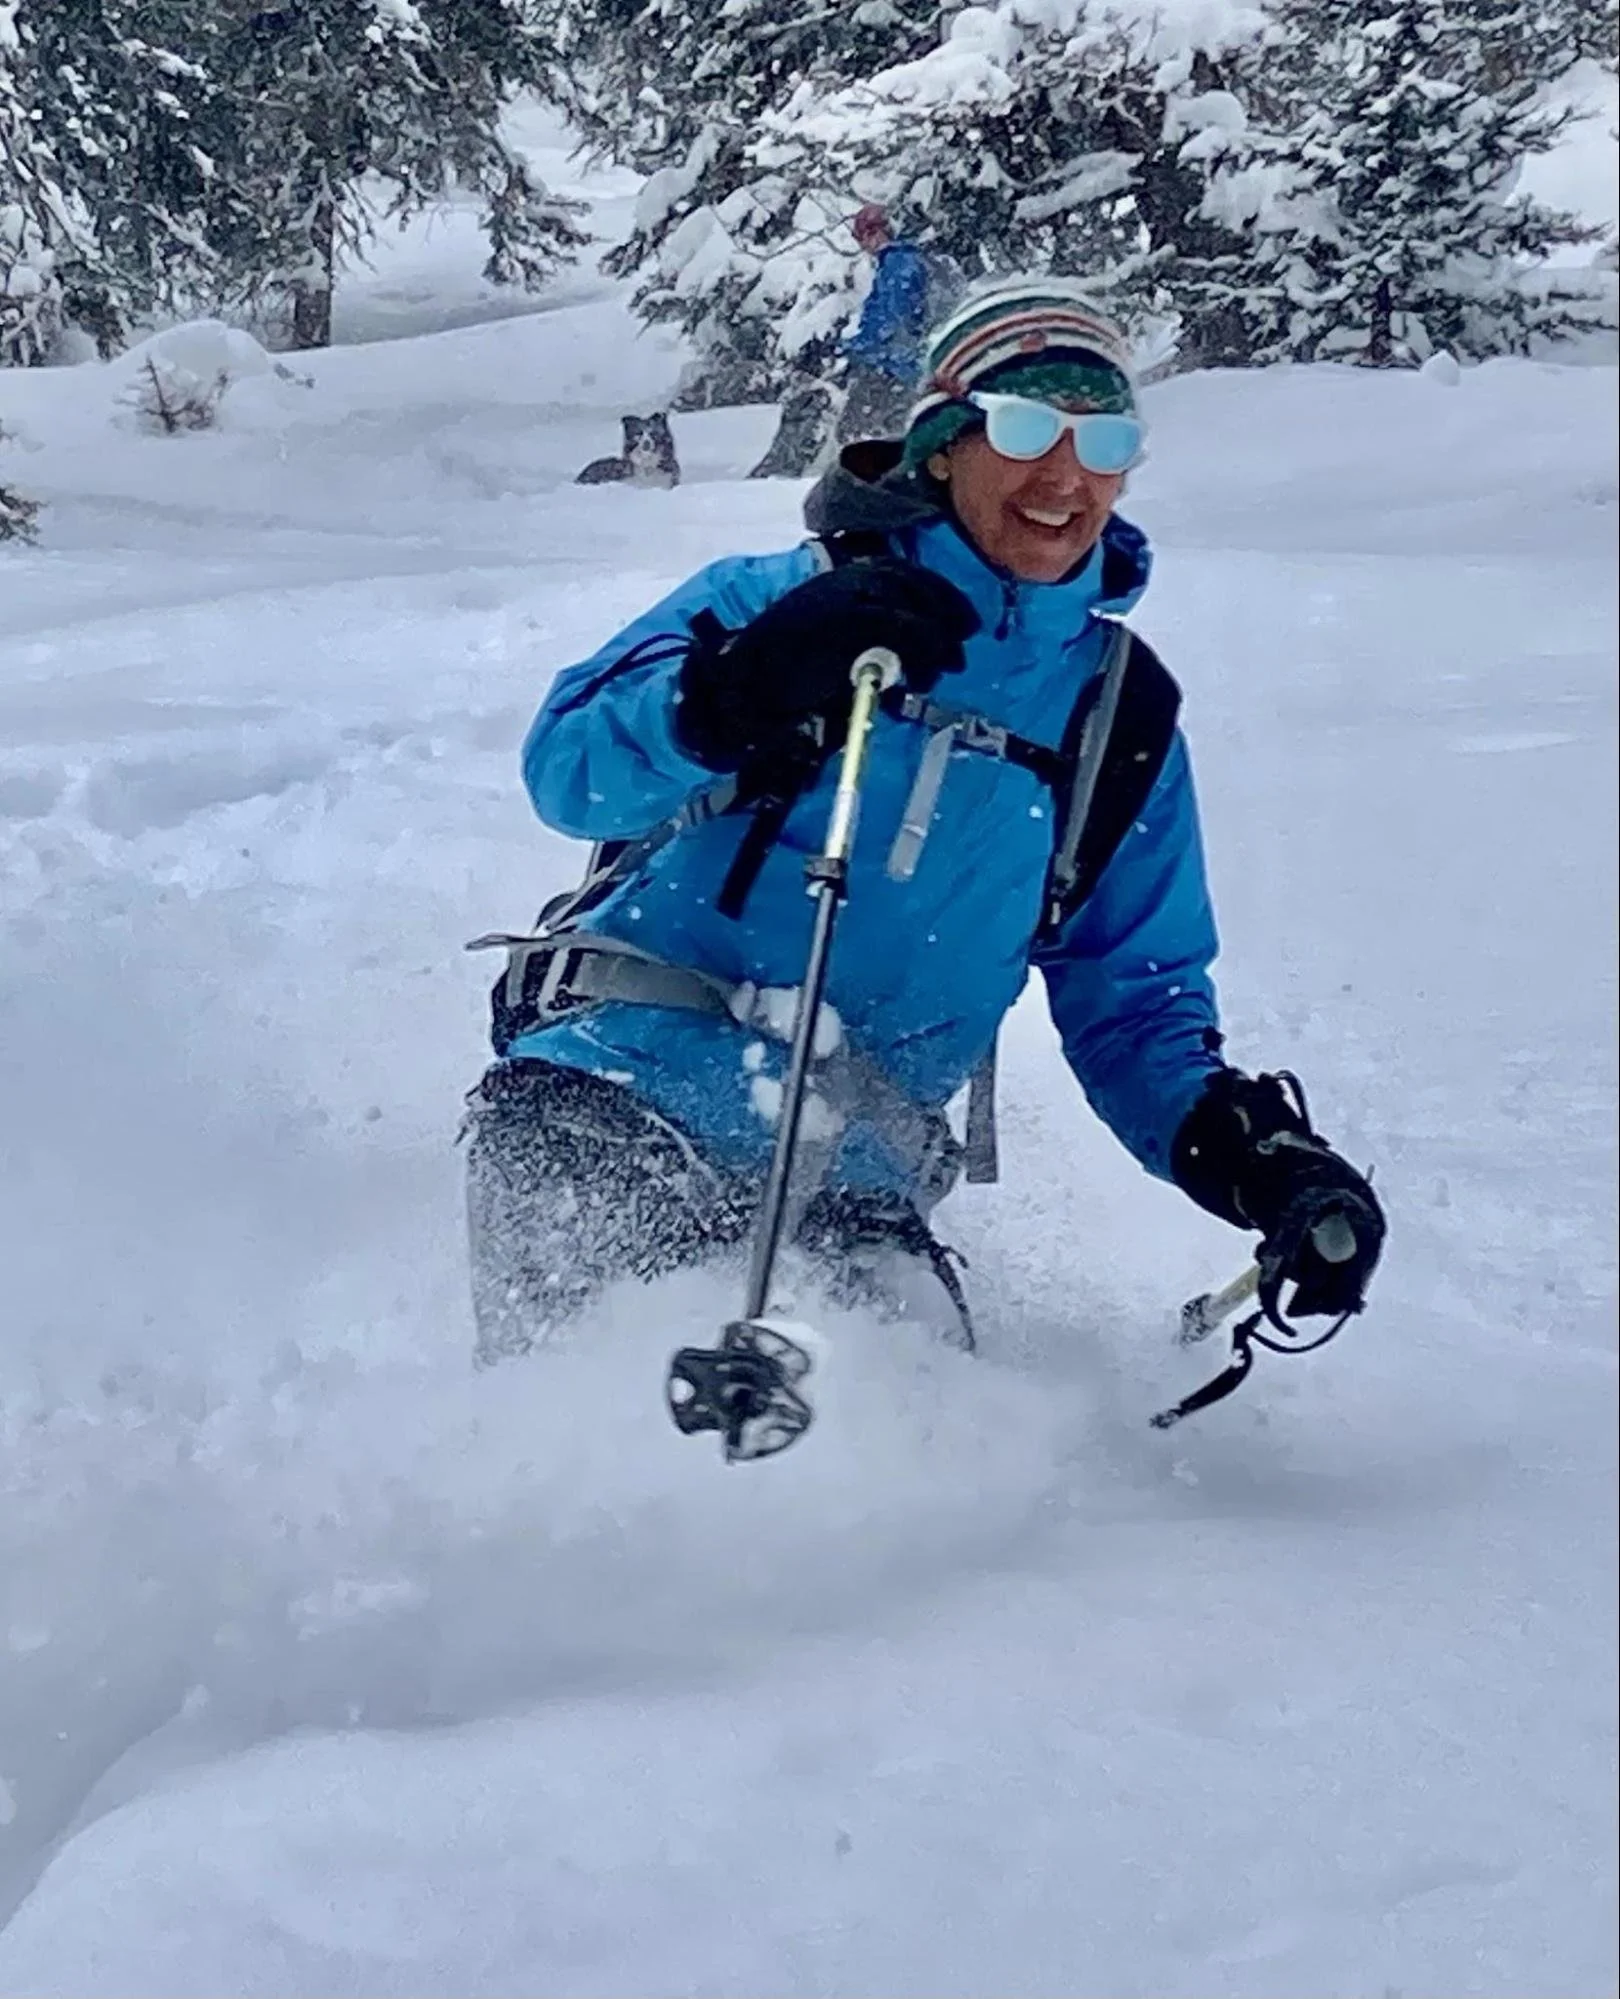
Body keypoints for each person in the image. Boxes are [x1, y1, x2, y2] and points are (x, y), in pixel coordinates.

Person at [466, 279, 1386, 1367]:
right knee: (591, 1444)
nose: (1064, 473)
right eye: (1026, 427)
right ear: (946, 445)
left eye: (1104, 438)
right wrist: (740, 690)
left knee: (905, 1470)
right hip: (612, 1091)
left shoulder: (1115, 715)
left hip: (852, 1171)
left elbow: (1135, 1006)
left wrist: (1259, 1162)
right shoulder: (779, 600)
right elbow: (568, 770)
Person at [837, 203, 931, 444]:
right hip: (904, 364)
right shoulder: (907, 259)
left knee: (855, 434)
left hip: (897, 368)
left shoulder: (898, 264)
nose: (864, 247)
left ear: (876, 233)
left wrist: (858, 347)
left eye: (863, 239)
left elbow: (892, 318)